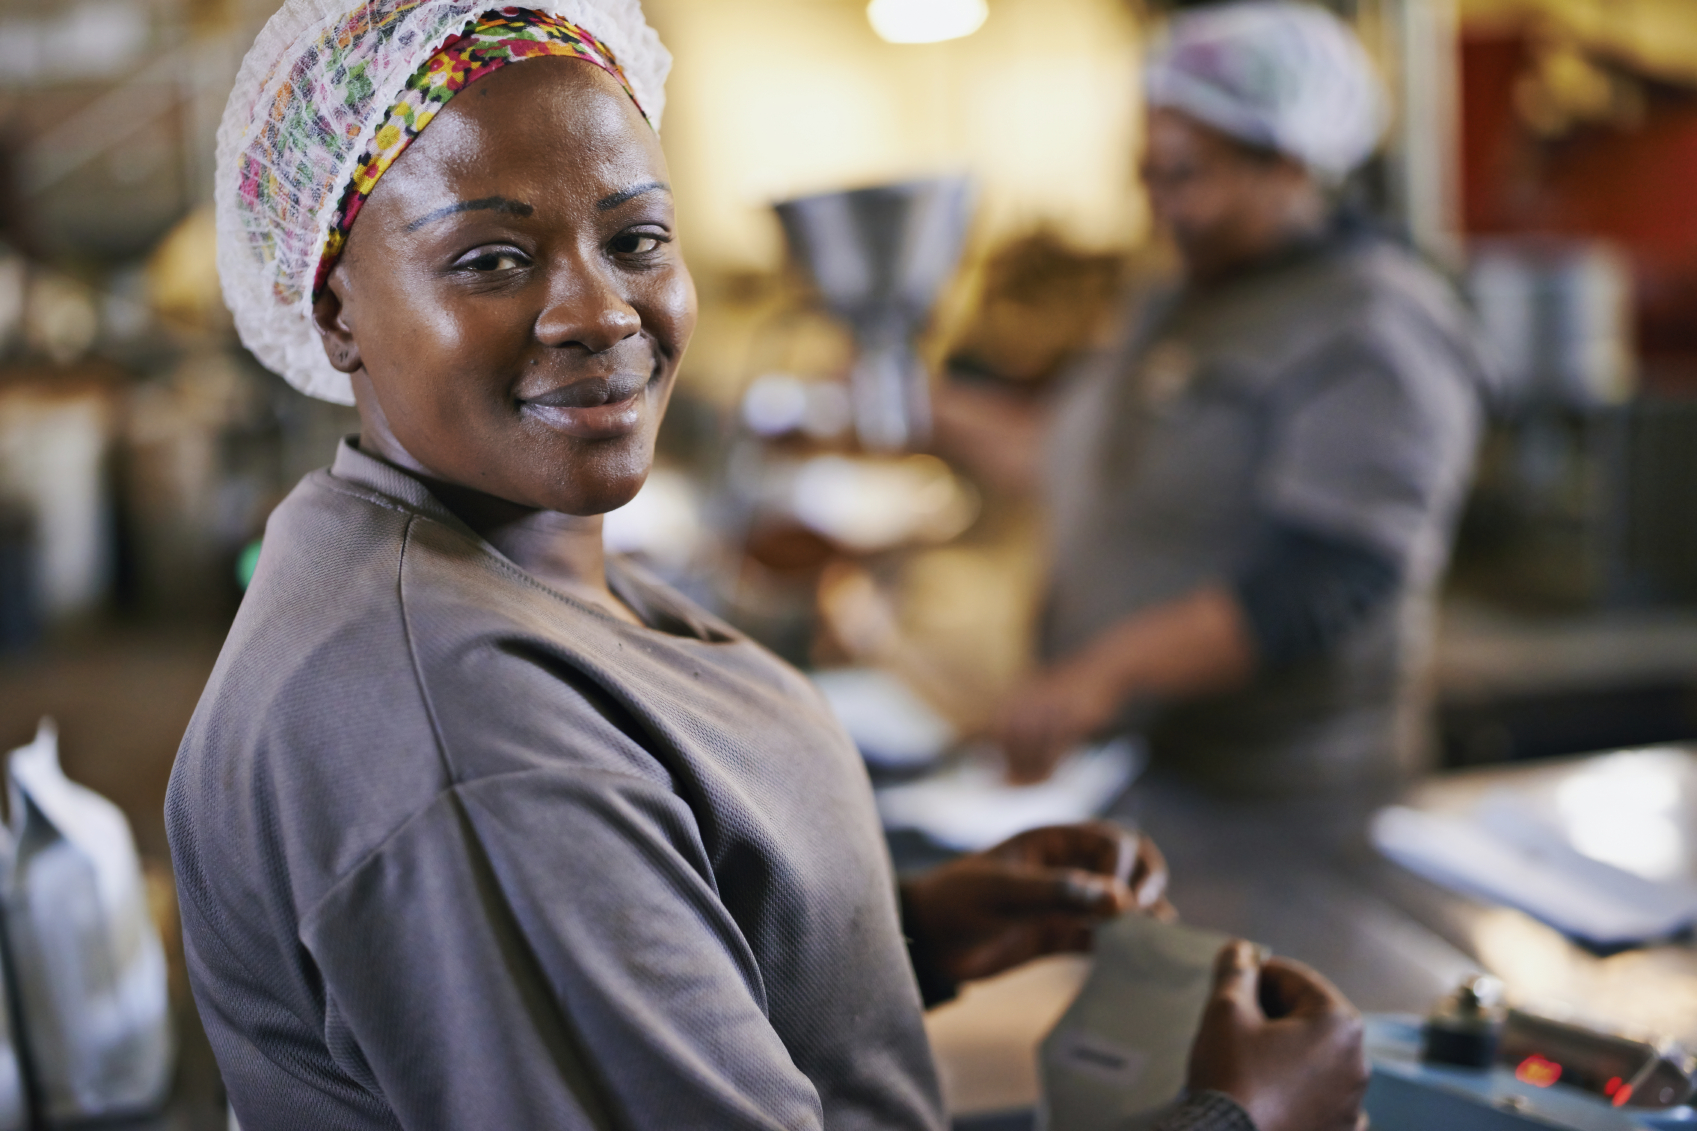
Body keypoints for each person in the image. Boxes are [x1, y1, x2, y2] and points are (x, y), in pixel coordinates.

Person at [167, 2, 1368, 1128]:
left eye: (635, 237)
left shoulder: (493, 561)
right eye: (489, 259)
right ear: (335, 311)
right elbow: (538, 848)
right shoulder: (469, 740)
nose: (600, 310)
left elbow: (595, 949)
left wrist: (866, 939)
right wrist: (1238, 1116)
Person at [976, 1, 1492, 792]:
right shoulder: (1179, 295)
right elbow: (1076, 455)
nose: (1162, 207)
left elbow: (1327, 576)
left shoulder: (1371, 319)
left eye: (1187, 174)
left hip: (1284, 795)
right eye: (1148, 172)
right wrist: (918, 408)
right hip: (1146, 769)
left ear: (1290, 164)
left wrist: (1105, 671)